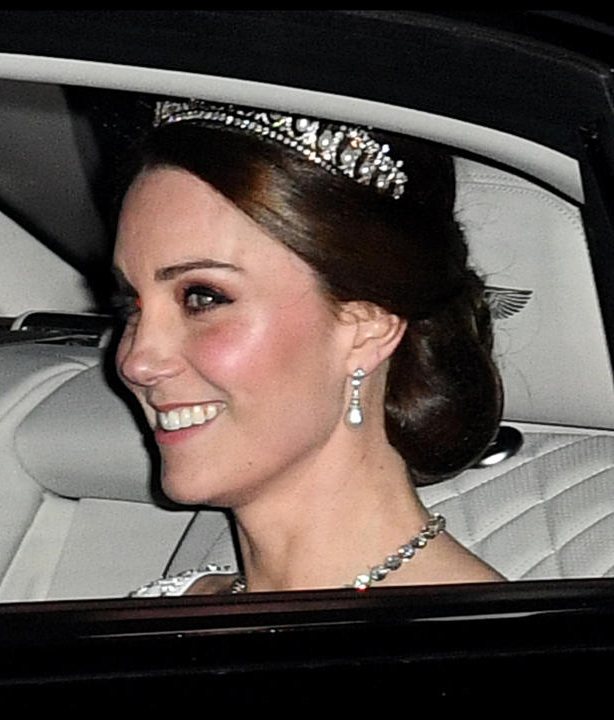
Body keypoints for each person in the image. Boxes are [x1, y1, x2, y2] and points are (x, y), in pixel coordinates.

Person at [112, 99, 505, 595]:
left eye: (203, 297)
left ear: (365, 329)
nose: (137, 360)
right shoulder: (165, 607)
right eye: (131, 303)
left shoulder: (480, 648)